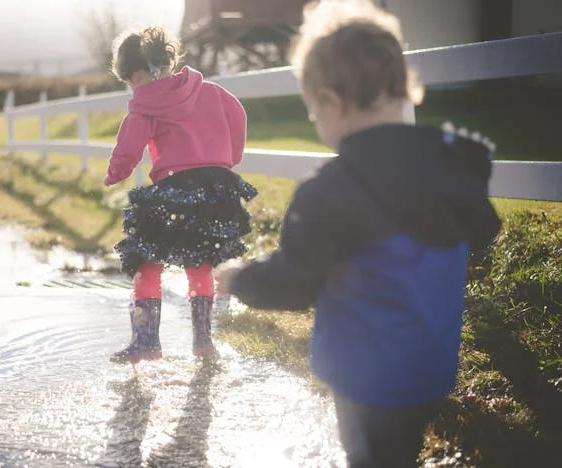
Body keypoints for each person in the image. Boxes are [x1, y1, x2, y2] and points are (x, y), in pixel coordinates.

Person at [215, 1, 502, 466]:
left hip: (368, 373)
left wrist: (240, 278)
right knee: (399, 450)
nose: (315, 121)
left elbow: (292, 282)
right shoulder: (449, 168)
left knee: (369, 456)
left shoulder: (331, 192)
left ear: (332, 100)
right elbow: (486, 228)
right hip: (431, 364)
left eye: (312, 110)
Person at [104, 26, 257, 364]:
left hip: (174, 187)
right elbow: (238, 118)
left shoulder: (145, 104)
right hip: (217, 187)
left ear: (138, 73)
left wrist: (115, 173)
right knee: (199, 261)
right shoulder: (213, 92)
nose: (132, 88)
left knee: (146, 263)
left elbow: (128, 148)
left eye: (130, 81)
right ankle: (203, 343)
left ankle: (147, 342)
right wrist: (228, 158)